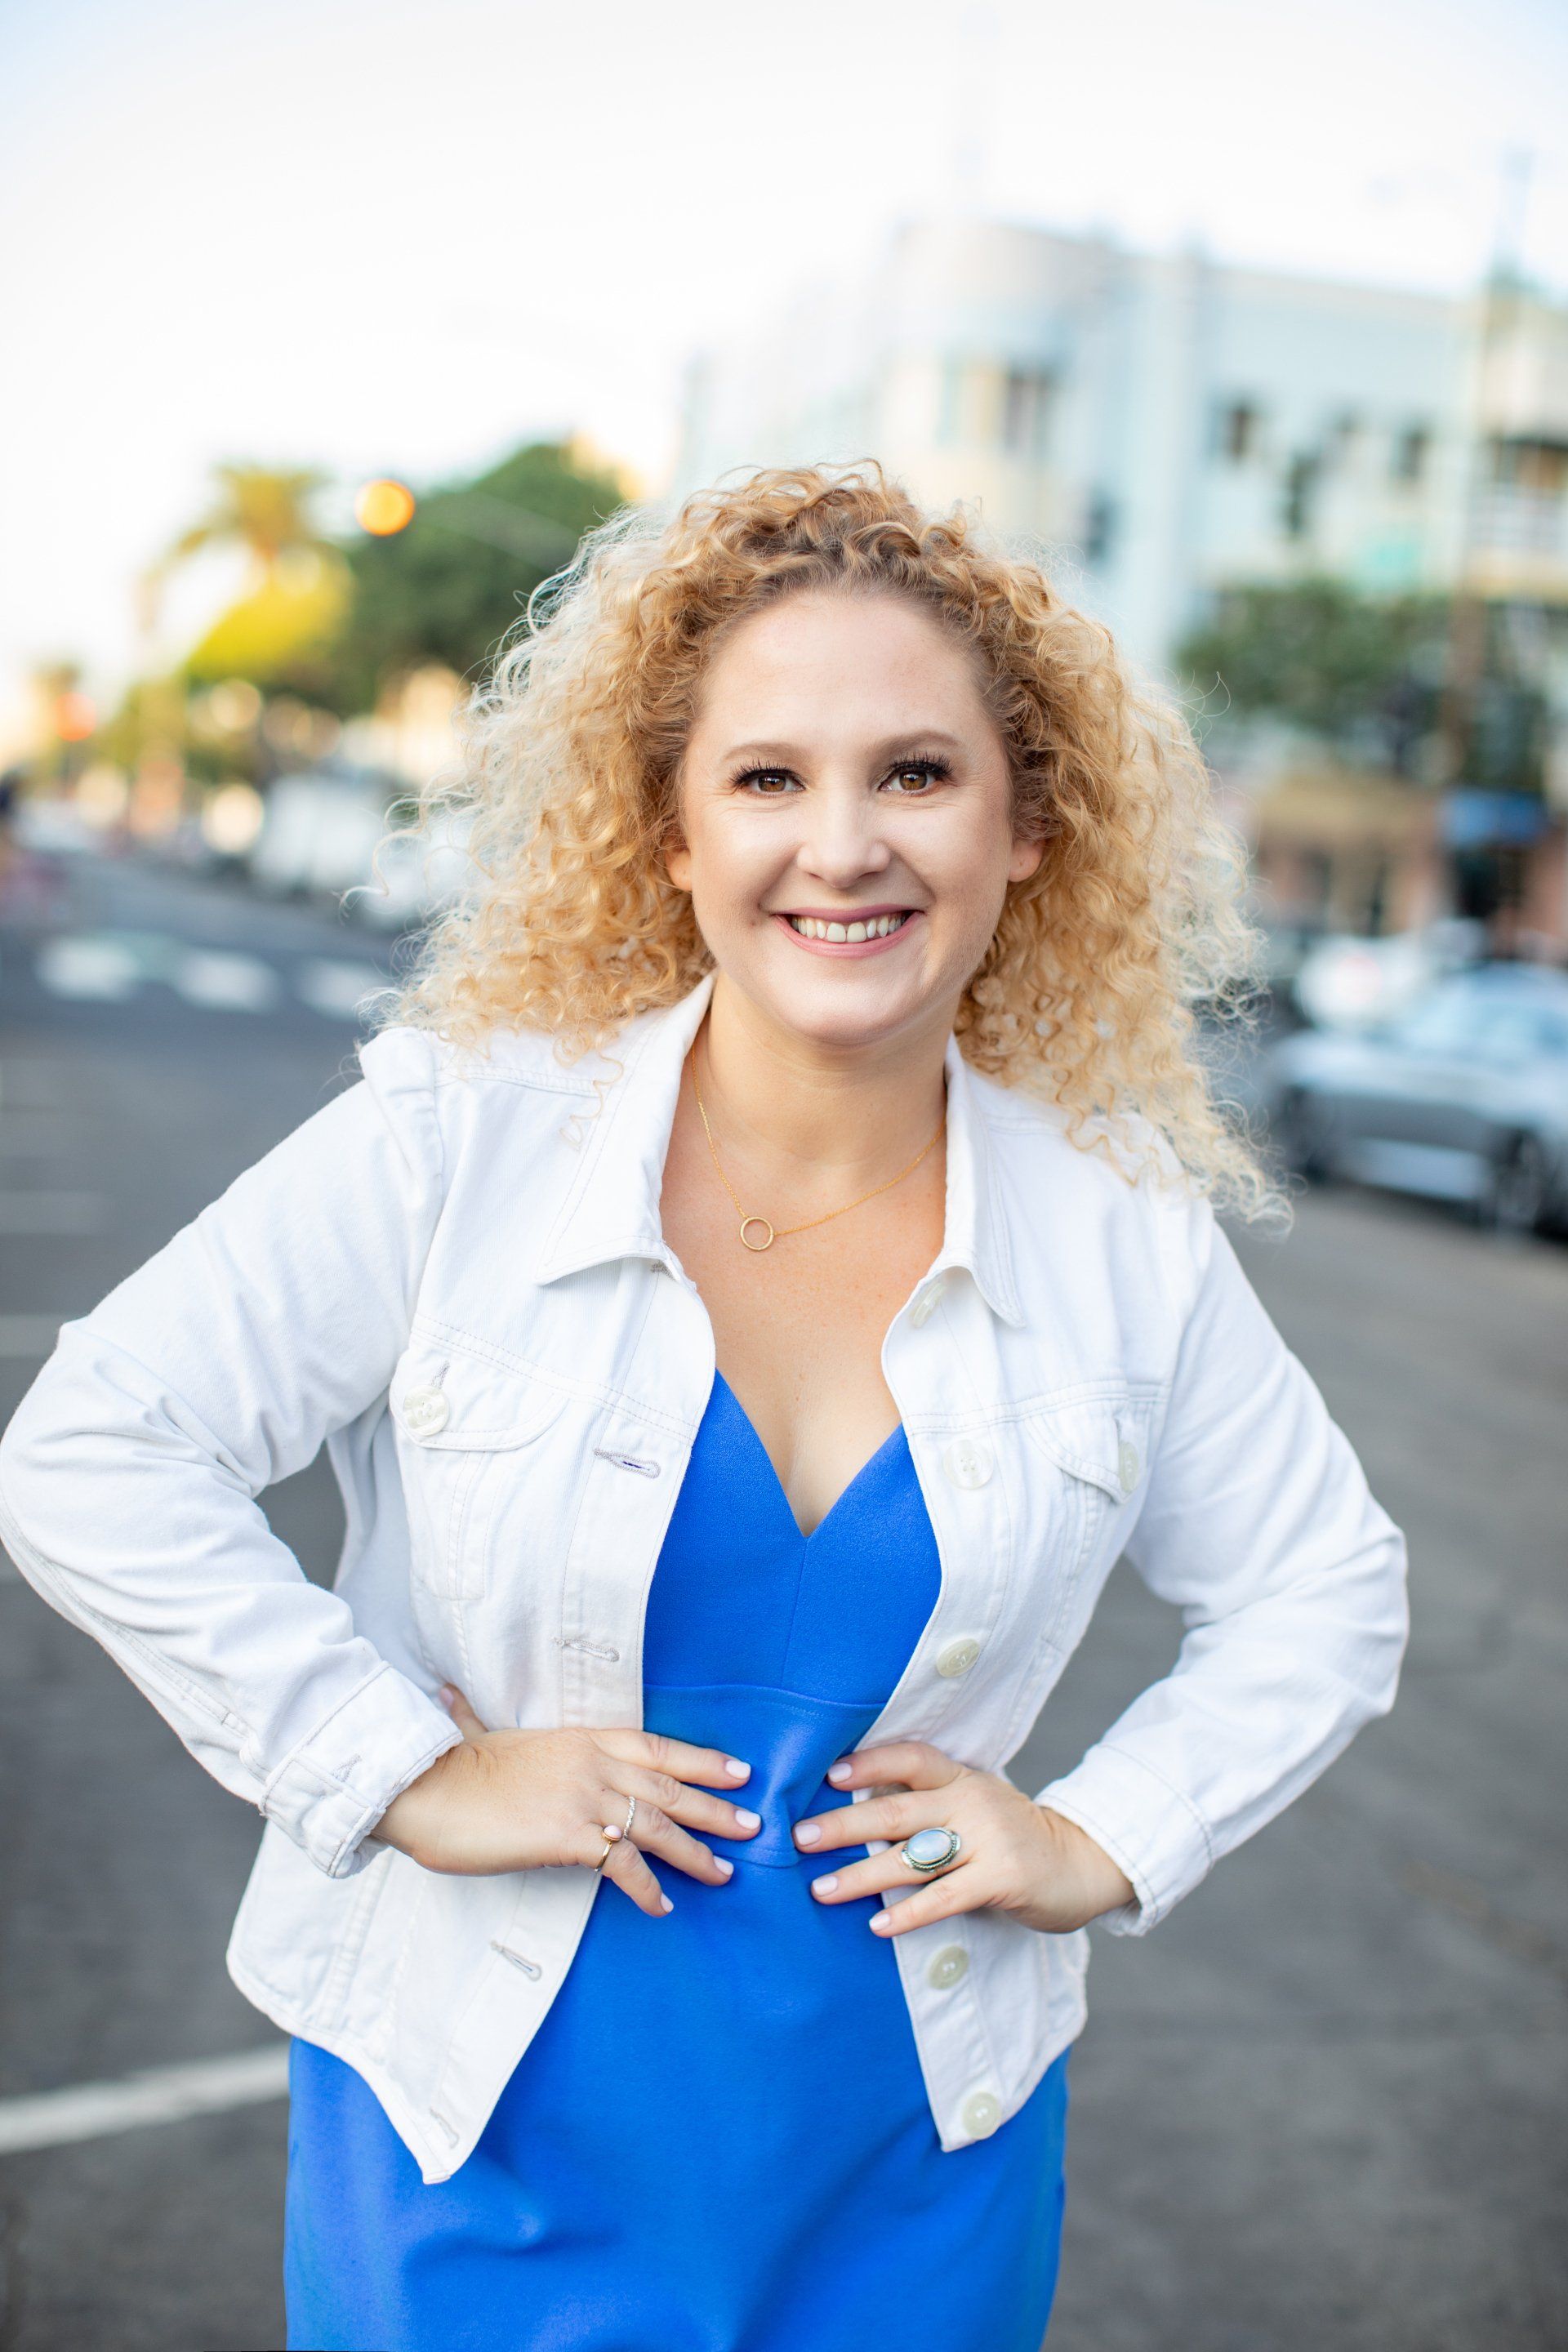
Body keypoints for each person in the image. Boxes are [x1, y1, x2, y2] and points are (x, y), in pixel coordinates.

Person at [0, 466, 1409, 2352]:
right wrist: (398, 1767)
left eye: (917, 774)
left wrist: (1107, 1833)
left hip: (913, 2164)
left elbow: (1328, 1588)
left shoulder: (1126, 1237)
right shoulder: (459, 1146)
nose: (845, 846)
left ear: (1027, 829)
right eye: (766, 779)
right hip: (475, 2140)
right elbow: (94, 1445)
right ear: (666, 832)